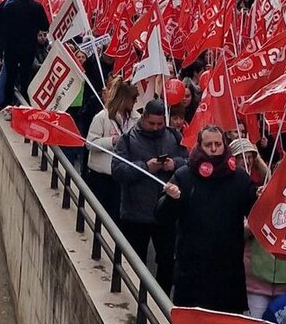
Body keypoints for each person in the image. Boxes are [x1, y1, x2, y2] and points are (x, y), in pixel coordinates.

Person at [156, 124, 258, 310]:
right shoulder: (184, 176)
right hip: (192, 272)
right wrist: (171, 200)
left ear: (224, 145)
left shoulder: (240, 178)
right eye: (208, 144)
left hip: (228, 273)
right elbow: (162, 217)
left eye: (217, 144)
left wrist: (261, 197)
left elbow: (255, 212)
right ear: (199, 146)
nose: (213, 149)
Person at [111, 99, 186, 293]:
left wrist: (174, 164)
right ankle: (135, 295)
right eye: (151, 123)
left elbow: (188, 162)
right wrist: (146, 167)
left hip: (166, 213)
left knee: (168, 261)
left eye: (159, 124)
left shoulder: (174, 136)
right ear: (143, 118)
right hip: (136, 214)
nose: (155, 128)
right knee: (135, 261)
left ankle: (159, 297)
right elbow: (118, 171)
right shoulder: (127, 139)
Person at [0, 0, 49, 106]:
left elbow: (1, 26)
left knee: (10, 76)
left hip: (12, 47)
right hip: (29, 47)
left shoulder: (10, 5)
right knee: (25, 77)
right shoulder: (37, 6)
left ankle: (7, 104)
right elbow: (45, 25)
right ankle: (25, 104)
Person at [86, 77, 139, 219]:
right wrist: (112, 141)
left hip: (121, 175)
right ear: (124, 99)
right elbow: (90, 143)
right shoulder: (102, 117)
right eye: (133, 99)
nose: (135, 102)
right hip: (101, 175)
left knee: (116, 215)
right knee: (98, 215)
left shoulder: (136, 119)